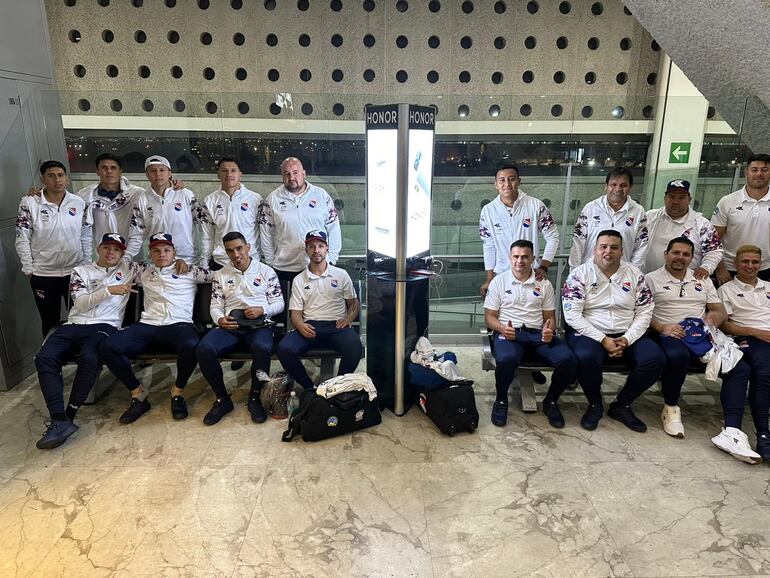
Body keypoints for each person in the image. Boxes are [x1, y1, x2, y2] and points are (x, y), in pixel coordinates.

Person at [33, 233, 135, 449]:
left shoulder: (129, 269)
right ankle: (58, 418)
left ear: (122, 253)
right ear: (98, 248)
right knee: (44, 358)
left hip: (105, 326)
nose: (110, 252)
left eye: (116, 249)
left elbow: (162, 264)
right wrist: (108, 290)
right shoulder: (81, 271)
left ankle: (69, 415)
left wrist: (181, 262)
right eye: (107, 247)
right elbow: (79, 305)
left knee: (89, 358)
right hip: (74, 324)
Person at [99, 233, 212, 423]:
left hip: (178, 324)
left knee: (192, 344)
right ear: (149, 254)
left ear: (174, 252)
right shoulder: (142, 269)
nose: (162, 254)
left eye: (167, 250)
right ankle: (138, 394)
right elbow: (113, 263)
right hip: (148, 324)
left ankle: (177, 392)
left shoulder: (190, 271)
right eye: (156, 251)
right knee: (108, 346)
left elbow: (221, 277)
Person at [646, 237, 749, 440]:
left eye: (686, 254)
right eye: (676, 252)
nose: (680, 258)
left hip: (702, 335)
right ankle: (671, 407)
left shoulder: (702, 279)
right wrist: (663, 327)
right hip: (669, 333)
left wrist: (714, 318)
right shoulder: (650, 279)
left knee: (740, 368)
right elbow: (642, 313)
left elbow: (719, 310)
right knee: (678, 356)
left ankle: (733, 428)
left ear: (692, 258)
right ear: (665, 254)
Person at [562, 229, 664, 432]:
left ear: (622, 250)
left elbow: (645, 312)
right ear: (595, 249)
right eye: (603, 247)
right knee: (585, 356)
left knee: (656, 359)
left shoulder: (635, 274)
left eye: (614, 247)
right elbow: (572, 315)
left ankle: (622, 404)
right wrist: (603, 339)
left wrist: (626, 339)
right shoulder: (579, 274)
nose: (608, 251)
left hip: (627, 332)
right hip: (590, 332)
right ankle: (595, 404)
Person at [483, 240, 578, 428]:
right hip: (509, 334)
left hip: (537, 335)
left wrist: (549, 329)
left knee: (569, 360)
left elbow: (549, 317)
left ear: (533, 259)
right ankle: (501, 400)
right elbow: (490, 317)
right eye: (516, 257)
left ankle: (551, 402)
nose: (520, 261)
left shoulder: (544, 284)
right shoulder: (499, 282)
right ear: (510, 258)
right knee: (508, 359)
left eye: (525, 257)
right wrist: (502, 328)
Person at [196, 232, 284, 426]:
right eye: (230, 251)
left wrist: (264, 309)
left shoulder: (266, 271)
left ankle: (255, 397)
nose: (236, 254)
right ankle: (222, 399)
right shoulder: (221, 275)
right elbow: (215, 305)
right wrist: (220, 319)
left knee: (262, 347)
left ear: (248, 247)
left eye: (239, 248)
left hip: (260, 324)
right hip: (231, 325)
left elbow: (279, 302)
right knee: (204, 349)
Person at [16, 160, 92, 337]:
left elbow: (86, 235)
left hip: (75, 271)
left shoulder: (78, 203)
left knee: (81, 319)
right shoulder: (29, 203)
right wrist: (29, 268)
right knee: (49, 321)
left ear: (66, 178)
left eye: (60, 175)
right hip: (43, 274)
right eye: (51, 176)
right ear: (43, 179)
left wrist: (86, 264)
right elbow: (22, 237)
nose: (57, 180)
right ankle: (53, 363)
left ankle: (85, 362)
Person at [277, 230, 362, 389]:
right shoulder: (299, 279)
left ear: (327, 248)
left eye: (320, 246)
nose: (316, 250)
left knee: (355, 347)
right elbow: (295, 314)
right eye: (312, 246)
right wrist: (301, 326)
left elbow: (354, 304)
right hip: (310, 325)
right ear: (306, 250)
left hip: (336, 325)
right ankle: (310, 389)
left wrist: (348, 319)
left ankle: (337, 388)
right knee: (284, 348)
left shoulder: (341, 274)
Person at [716, 244, 770, 462]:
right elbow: (725, 325)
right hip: (747, 339)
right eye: (745, 261)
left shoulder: (768, 287)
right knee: (764, 372)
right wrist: (757, 332)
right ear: (736, 264)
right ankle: (763, 434)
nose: (750, 266)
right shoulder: (726, 290)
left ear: (761, 265)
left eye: (754, 262)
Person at [479, 164, 560, 296]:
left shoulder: (536, 206)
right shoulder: (488, 211)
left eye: (511, 179)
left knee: (533, 315)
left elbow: (553, 237)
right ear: (496, 184)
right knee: (502, 315)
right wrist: (489, 278)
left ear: (519, 181)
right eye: (502, 180)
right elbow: (488, 245)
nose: (507, 184)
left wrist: (544, 266)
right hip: (501, 275)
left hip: (532, 275)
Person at [259, 157, 341, 284]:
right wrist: (271, 261)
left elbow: (334, 228)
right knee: (287, 304)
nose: (291, 177)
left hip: (316, 267)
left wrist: (331, 259)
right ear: (282, 176)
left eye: (295, 173)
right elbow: (266, 233)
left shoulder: (321, 196)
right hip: (283, 270)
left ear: (304, 173)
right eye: (287, 174)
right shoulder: (272, 199)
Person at [569, 167, 649, 269]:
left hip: (622, 276)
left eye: (623, 185)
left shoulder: (638, 212)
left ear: (630, 187)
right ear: (606, 186)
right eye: (613, 184)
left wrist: (633, 274)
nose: (618, 189)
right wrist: (575, 272)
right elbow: (578, 243)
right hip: (591, 273)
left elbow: (641, 247)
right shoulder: (591, 208)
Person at [127, 155, 200, 266]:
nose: (158, 174)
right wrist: (126, 258)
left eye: (162, 170)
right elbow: (137, 234)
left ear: (169, 173)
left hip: (188, 260)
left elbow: (203, 224)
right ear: (147, 174)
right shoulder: (142, 199)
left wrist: (207, 257)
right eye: (153, 171)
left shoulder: (186, 194)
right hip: (158, 261)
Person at [644, 179, 723, 279]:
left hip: (684, 284)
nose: (675, 202)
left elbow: (714, 251)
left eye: (681, 198)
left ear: (689, 200)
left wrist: (706, 268)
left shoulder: (703, 224)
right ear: (665, 198)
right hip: (648, 279)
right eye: (671, 197)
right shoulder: (649, 217)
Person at [712, 154, 770, 285]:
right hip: (729, 269)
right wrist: (720, 268)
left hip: (765, 269)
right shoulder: (727, 202)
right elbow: (713, 240)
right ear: (746, 172)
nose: (759, 174)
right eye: (754, 170)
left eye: (764, 170)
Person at [75, 153, 144, 257]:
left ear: (120, 171)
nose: (109, 171)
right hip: (102, 256)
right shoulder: (85, 196)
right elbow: (83, 230)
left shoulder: (137, 194)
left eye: (113, 168)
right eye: (104, 168)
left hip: (132, 255)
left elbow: (158, 197)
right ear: (97, 172)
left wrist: (174, 187)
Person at [199, 157, 262, 270]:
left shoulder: (255, 199)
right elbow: (207, 236)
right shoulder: (209, 201)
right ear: (218, 174)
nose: (229, 174)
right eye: (224, 170)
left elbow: (264, 233)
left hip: (250, 262)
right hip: (221, 262)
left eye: (233, 170)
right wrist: (204, 264)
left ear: (240, 174)